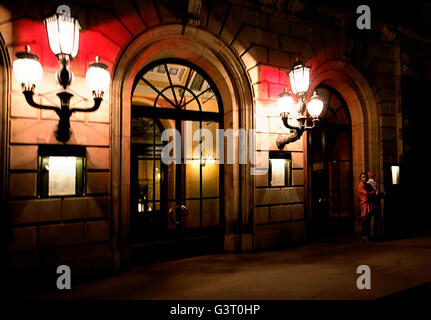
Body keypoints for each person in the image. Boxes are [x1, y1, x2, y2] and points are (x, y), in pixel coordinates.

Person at [358, 172, 376, 242]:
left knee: (368, 221)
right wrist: (371, 193)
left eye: (365, 177)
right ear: (360, 178)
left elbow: (374, 191)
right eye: (363, 177)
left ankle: (368, 235)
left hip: (369, 204)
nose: (364, 178)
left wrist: (371, 193)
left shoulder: (367, 184)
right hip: (365, 205)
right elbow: (366, 194)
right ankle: (364, 236)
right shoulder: (360, 185)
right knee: (365, 221)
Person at [367, 170, 383, 240]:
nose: (373, 172)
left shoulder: (375, 182)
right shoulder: (368, 183)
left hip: (377, 201)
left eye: (372, 171)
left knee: (377, 217)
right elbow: (370, 193)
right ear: (368, 174)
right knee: (373, 218)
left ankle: (376, 233)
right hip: (373, 201)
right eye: (370, 172)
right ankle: (372, 234)